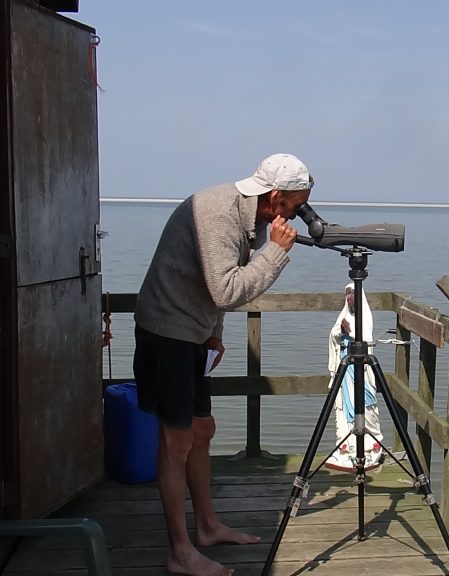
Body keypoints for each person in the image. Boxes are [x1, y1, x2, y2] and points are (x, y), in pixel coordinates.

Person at [132, 153, 312, 576]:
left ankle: (208, 526)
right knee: (176, 441)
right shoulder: (217, 214)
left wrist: (214, 330)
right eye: (293, 206)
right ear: (274, 197)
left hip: (193, 329)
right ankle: (179, 551)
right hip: (165, 331)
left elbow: (213, 285)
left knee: (201, 429)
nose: (296, 217)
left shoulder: (250, 215)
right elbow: (226, 289)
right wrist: (274, 254)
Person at [325, 282, 384, 472]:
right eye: (347, 294)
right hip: (344, 370)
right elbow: (333, 336)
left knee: (366, 406)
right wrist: (340, 331)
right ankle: (346, 449)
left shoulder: (365, 318)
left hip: (360, 372)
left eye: (352, 294)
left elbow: (365, 339)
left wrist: (350, 332)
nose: (349, 298)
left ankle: (370, 448)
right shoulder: (343, 316)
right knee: (343, 409)